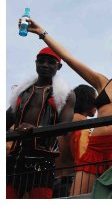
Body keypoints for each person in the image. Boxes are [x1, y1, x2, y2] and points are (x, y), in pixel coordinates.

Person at [21, 19, 112, 195]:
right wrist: (42, 33)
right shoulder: (101, 82)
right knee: (78, 194)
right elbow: (69, 59)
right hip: (95, 145)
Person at [6, 47, 75, 199]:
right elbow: (5, 121)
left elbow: (64, 127)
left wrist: (36, 129)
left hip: (43, 157)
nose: (45, 65)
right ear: (35, 63)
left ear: (59, 66)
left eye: (51, 62)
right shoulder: (22, 92)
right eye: (41, 61)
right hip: (16, 156)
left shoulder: (66, 95)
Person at [53, 84, 97, 198]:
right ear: (88, 101)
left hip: (54, 181)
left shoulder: (65, 120)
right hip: (73, 183)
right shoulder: (81, 121)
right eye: (95, 100)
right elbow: (85, 156)